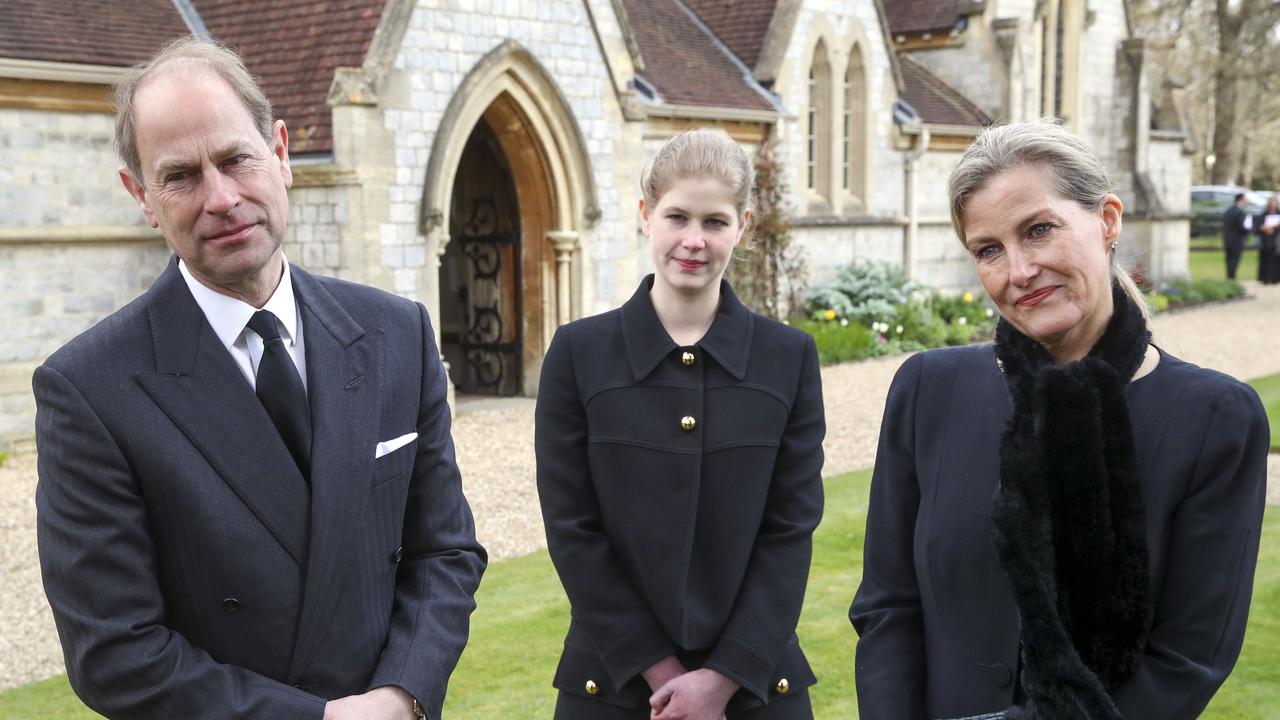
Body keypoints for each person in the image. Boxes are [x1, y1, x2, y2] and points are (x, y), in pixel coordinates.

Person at [34, 37, 486, 720]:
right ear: (142, 196)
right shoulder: (90, 390)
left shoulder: (398, 334)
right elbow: (115, 651)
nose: (220, 197)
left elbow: (445, 551)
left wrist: (402, 695)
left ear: (279, 153)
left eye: (236, 159)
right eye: (181, 176)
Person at [850, 120, 1268, 719]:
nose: (1018, 271)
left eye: (1038, 230)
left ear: (1107, 221)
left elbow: (1187, 659)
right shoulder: (929, 389)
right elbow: (887, 606)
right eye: (988, 250)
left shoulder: (1214, 418)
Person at [535, 129, 825, 720]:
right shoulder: (577, 354)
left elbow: (788, 531)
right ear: (646, 216)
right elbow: (573, 530)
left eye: (715, 222)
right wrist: (664, 675)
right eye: (677, 217)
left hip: (754, 689)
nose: (694, 241)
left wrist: (720, 679)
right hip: (613, 691)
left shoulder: (788, 357)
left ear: (741, 226)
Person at [1223, 192, 1250, 279]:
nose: (1247, 202)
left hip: (1227, 239)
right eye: (1246, 200)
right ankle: (1231, 279)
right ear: (1241, 199)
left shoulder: (1228, 210)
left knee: (1229, 260)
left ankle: (1229, 278)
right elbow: (1242, 227)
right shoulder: (1240, 212)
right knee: (1234, 261)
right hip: (1237, 240)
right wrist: (1248, 231)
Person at [1255, 196, 1280, 284]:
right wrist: (1264, 228)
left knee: (1276, 259)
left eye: (1275, 203)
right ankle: (1265, 278)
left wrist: (1276, 227)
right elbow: (1257, 226)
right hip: (1266, 240)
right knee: (1265, 259)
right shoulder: (1264, 214)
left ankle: (1275, 278)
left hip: (1276, 240)